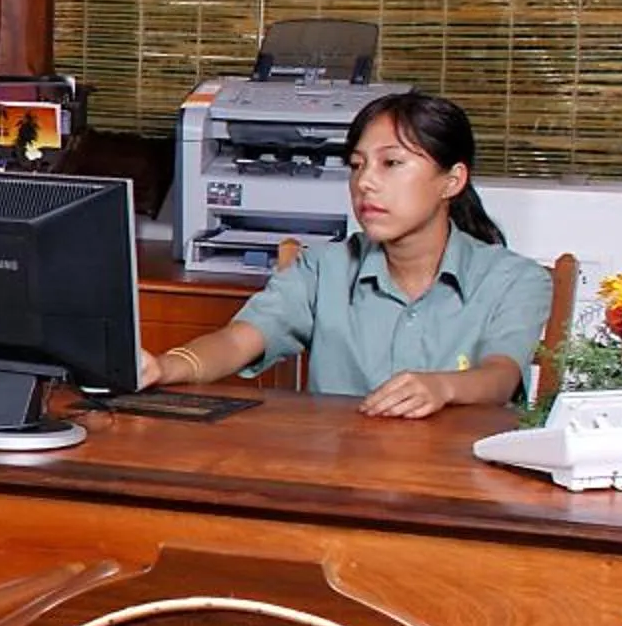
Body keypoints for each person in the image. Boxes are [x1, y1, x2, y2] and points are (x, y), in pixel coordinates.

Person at [141, 89, 550, 419]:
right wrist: (166, 367)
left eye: (391, 163)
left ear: (452, 180)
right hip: (339, 474)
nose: (365, 182)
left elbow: (500, 377)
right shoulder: (322, 269)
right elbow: (236, 341)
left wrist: (442, 387)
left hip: (458, 485)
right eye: (356, 165)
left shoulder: (515, 280)